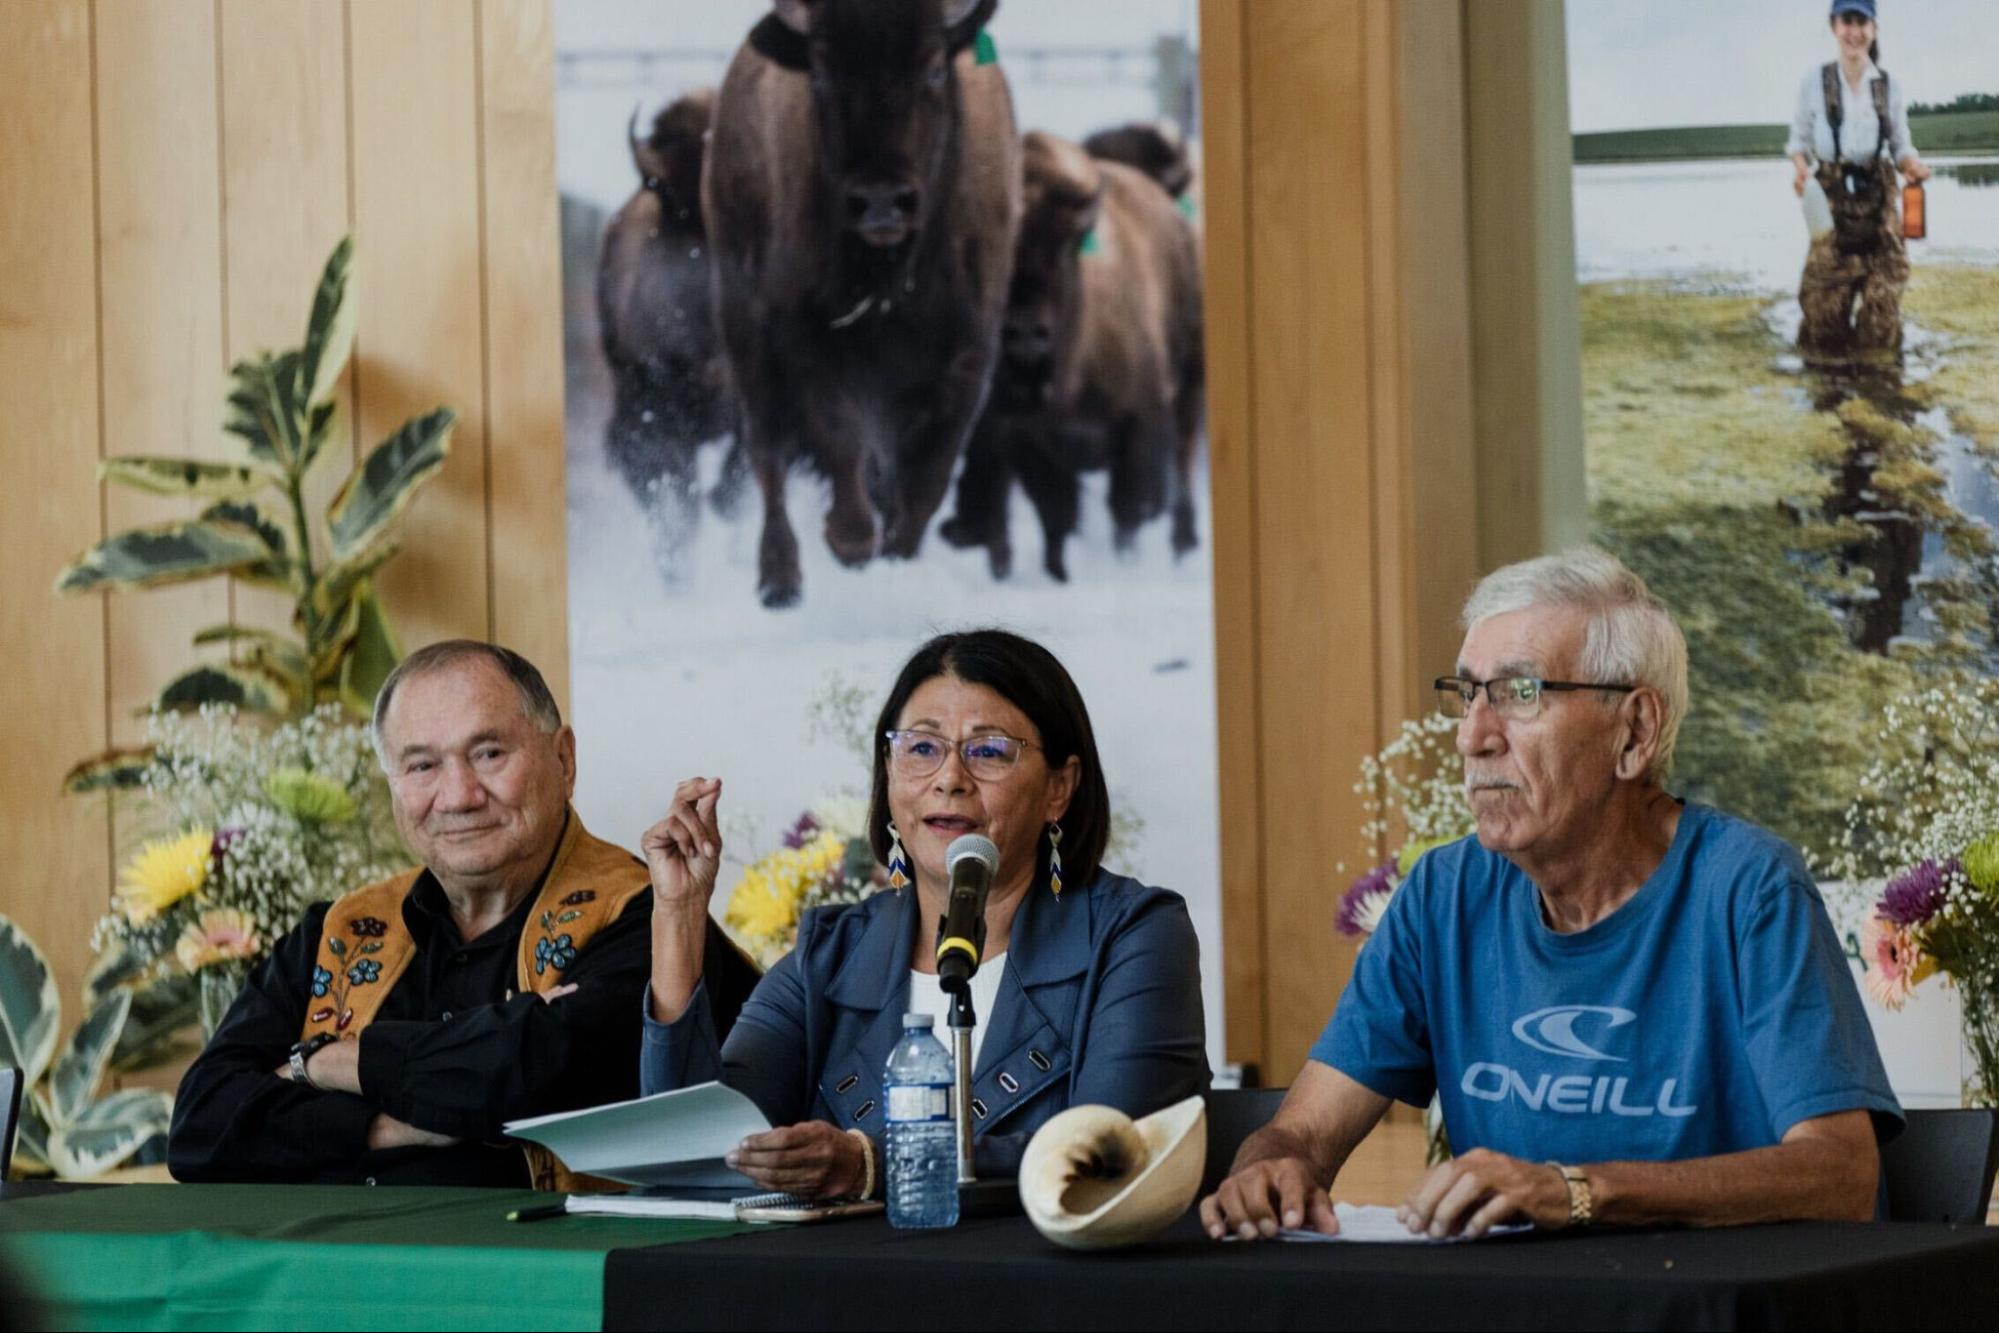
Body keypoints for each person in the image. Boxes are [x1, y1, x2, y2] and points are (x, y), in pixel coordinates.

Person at [1202, 548, 1900, 1240]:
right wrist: (1270, 1169)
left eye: (1519, 694)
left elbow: (1839, 1173)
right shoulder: (1441, 896)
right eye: (1467, 693)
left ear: (1634, 730)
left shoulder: (1749, 890)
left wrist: (1575, 1190)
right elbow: (1302, 1131)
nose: (1471, 736)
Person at [168, 640, 758, 1188]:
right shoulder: (339, 932)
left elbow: (539, 1076)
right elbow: (199, 1127)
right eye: (422, 766)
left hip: (562, 1285)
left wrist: (318, 1063)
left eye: (489, 753)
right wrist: (390, 1126)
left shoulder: (652, 917)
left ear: (564, 760)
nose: (458, 796)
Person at [641, 628, 1209, 1198]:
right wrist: (679, 914)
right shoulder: (831, 954)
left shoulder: (1133, 935)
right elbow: (691, 1154)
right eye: (922, 748)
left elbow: (1118, 1149)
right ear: (889, 772)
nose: (950, 778)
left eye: (988, 750)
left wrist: (875, 1165)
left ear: (1059, 788)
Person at [1787, 0, 1930, 355]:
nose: (1854, 31)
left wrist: (1912, 164)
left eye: (1862, 22)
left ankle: (1881, 391)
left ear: (1874, 29)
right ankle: (1828, 394)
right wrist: (1801, 171)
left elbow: (1900, 145)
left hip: (1879, 207)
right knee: (1823, 327)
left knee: (1880, 327)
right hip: (1830, 209)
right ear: (1834, 27)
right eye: (1847, 21)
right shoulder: (1813, 82)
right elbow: (1798, 142)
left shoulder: (1888, 86)